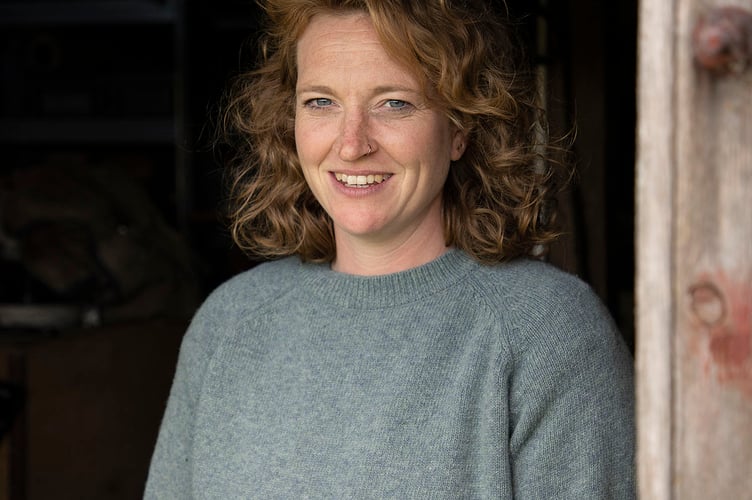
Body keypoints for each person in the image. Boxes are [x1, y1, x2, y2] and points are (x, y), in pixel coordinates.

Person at [144, 0, 635, 498]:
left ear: (460, 126)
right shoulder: (228, 323)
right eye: (321, 102)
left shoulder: (549, 335)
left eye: (394, 103)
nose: (352, 144)